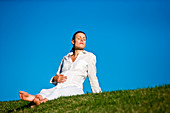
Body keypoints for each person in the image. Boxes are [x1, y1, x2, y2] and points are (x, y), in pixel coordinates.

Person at [19, 31, 102, 106]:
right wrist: (56, 78)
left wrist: (98, 95)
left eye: (84, 39)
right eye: (79, 38)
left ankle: (40, 100)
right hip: (59, 86)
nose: (82, 40)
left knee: (64, 92)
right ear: (73, 41)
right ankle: (37, 97)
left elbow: (93, 77)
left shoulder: (89, 56)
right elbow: (56, 76)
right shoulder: (65, 58)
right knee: (49, 91)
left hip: (75, 87)